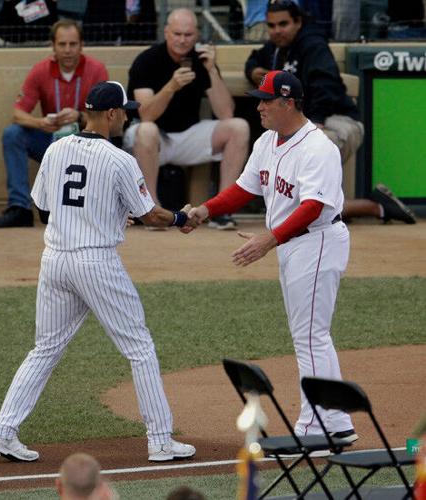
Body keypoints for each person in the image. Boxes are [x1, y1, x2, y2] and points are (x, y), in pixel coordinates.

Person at [0, 81, 197, 463]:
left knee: (44, 349)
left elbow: (46, 207)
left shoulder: (56, 147)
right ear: (112, 114)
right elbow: (152, 216)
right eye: (125, 110)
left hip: (55, 260)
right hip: (95, 262)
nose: (127, 115)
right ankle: (161, 440)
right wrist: (182, 216)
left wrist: (108, 213)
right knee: (140, 348)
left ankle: (2, 430)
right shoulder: (120, 160)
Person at [185, 70, 358, 443]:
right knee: (312, 336)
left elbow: (313, 207)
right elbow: (244, 188)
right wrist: (205, 210)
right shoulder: (268, 141)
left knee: (311, 336)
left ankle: (314, 427)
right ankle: (337, 422)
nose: (259, 106)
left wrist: (270, 239)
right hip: (292, 244)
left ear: (288, 102)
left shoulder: (319, 147)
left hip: (318, 241)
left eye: (265, 100)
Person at [245, 0, 416, 225]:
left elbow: (326, 87)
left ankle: (371, 207)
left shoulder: (313, 44)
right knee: (298, 204)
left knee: (304, 204)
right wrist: (253, 70)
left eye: (283, 24)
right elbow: (254, 57)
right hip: (305, 124)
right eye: (272, 25)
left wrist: (314, 123)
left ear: (297, 22)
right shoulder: (276, 48)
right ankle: (379, 207)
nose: (277, 30)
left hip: (337, 121)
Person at [124, 8, 250, 230]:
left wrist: (211, 71)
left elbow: (226, 113)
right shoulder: (147, 60)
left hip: (187, 137)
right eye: (177, 34)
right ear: (166, 32)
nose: (182, 40)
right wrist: (171, 87)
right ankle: (153, 211)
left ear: (197, 35)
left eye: (188, 35)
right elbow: (146, 115)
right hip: (151, 141)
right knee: (146, 130)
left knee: (239, 127)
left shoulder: (201, 60)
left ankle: (222, 210)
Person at [0, 19, 109, 228]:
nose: (68, 50)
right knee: (12, 134)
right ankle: (20, 208)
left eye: (73, 44)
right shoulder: (41, 70)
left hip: (87, 144)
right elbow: (17, 113)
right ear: (52, 46)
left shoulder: (96, 70)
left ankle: (96, 212)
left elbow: (108, 115)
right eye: (62, 44)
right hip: (51, 141)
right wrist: (40, 122)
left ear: (82, 45)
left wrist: (80, 117)